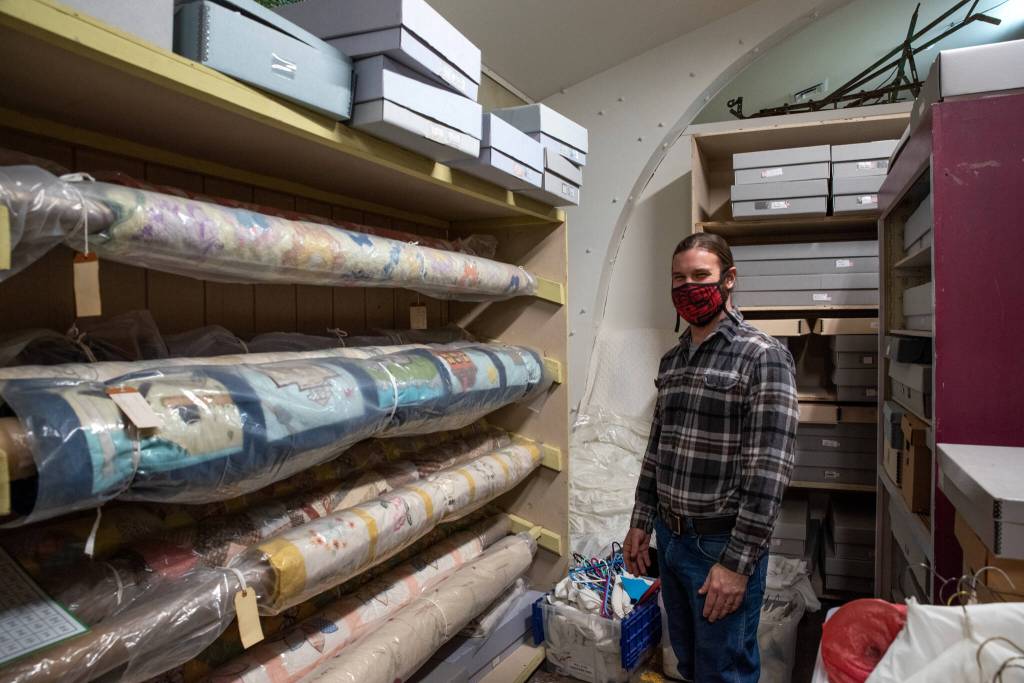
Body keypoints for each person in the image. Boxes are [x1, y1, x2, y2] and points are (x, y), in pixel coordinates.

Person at [623, 232, 799, 683]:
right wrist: (641, 522)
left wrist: (737, 565)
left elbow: (770, 472)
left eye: (701, 276)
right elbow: (657, 449)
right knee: (688, 662)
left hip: (719, 546)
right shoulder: (673, 360)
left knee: (725, 671)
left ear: (729, 279)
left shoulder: (763, 356)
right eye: (678, 279)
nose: (688, 288)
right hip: (672, 538)